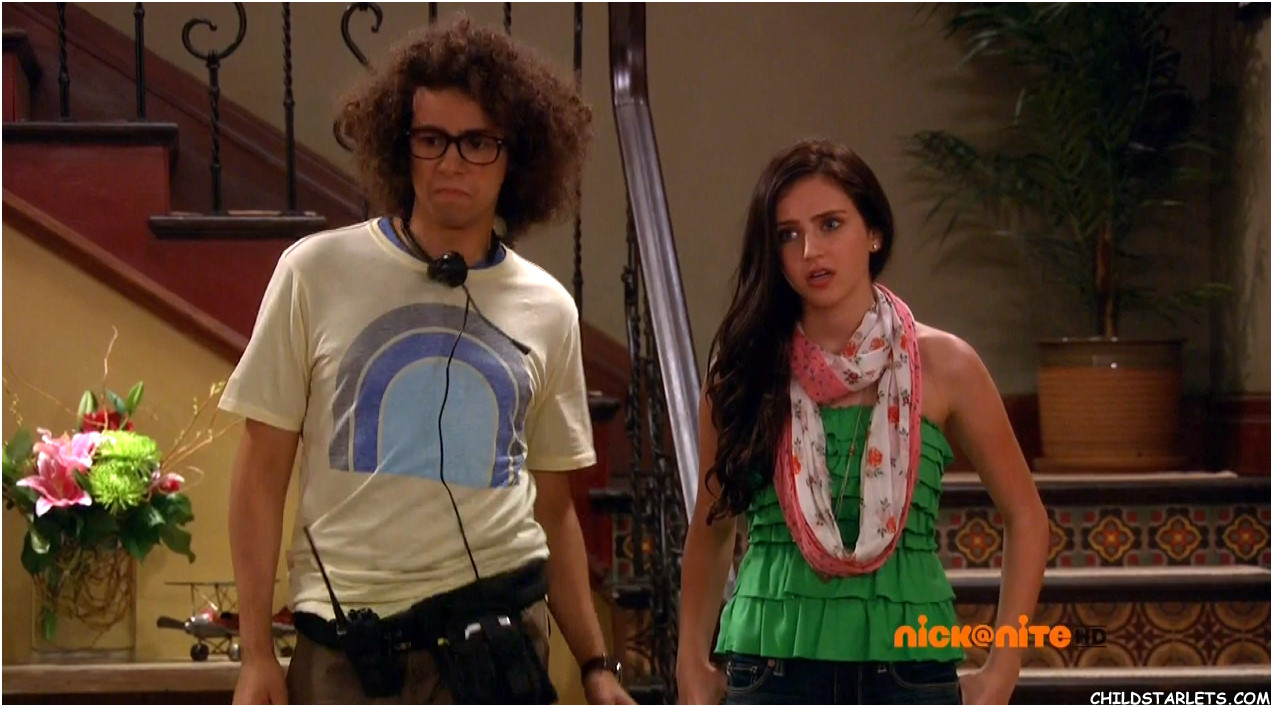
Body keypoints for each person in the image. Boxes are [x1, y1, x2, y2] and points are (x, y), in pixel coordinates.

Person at [221, 17, 634, 705]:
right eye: (431, 139)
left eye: (478, 142)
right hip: (348, 651)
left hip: (499, 647)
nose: (452, 162)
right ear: (400, 145)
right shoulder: (314, 272)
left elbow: (556, 508)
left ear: (515, 156)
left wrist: (596, 664)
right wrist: (257, 653)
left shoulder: (549, 309)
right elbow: (260, 475)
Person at [675, 139, 1049, 705]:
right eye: (788, 235)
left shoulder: (946, 365)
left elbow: (1027, 518)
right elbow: (712, 528)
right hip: (771, 668)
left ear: (873, 232)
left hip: (907, 671)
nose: (810, 251)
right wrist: (690, 664)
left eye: (830, 225)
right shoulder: (743, 371)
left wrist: (1002, 671)